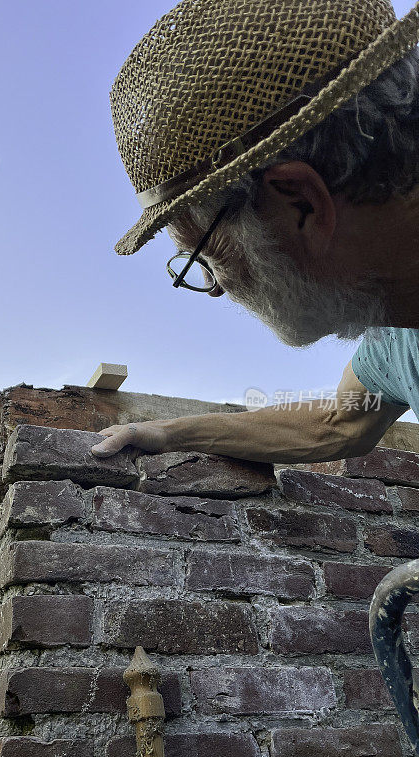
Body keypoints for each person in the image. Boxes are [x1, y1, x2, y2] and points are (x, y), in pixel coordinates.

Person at [92, 0, 419, 464]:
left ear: (301, 203)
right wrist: (166, 432)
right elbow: (339, 420)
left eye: (203, 256)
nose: (214, 287)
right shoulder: (398, 338)